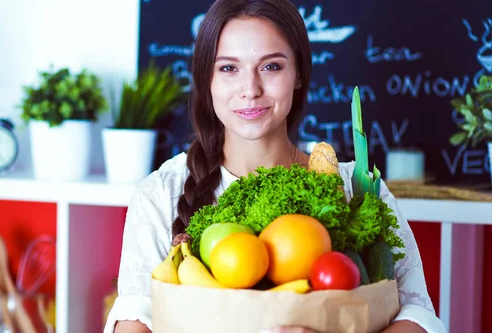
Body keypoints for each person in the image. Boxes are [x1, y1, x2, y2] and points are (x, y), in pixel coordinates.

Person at [104, 0, 446, 332]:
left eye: (271, 66)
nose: (250, 89)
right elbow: (136, 318)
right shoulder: (161, 193)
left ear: (298, 74)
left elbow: (418, 315)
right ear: (206, 80)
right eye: (228, 68)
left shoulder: (358, 187)